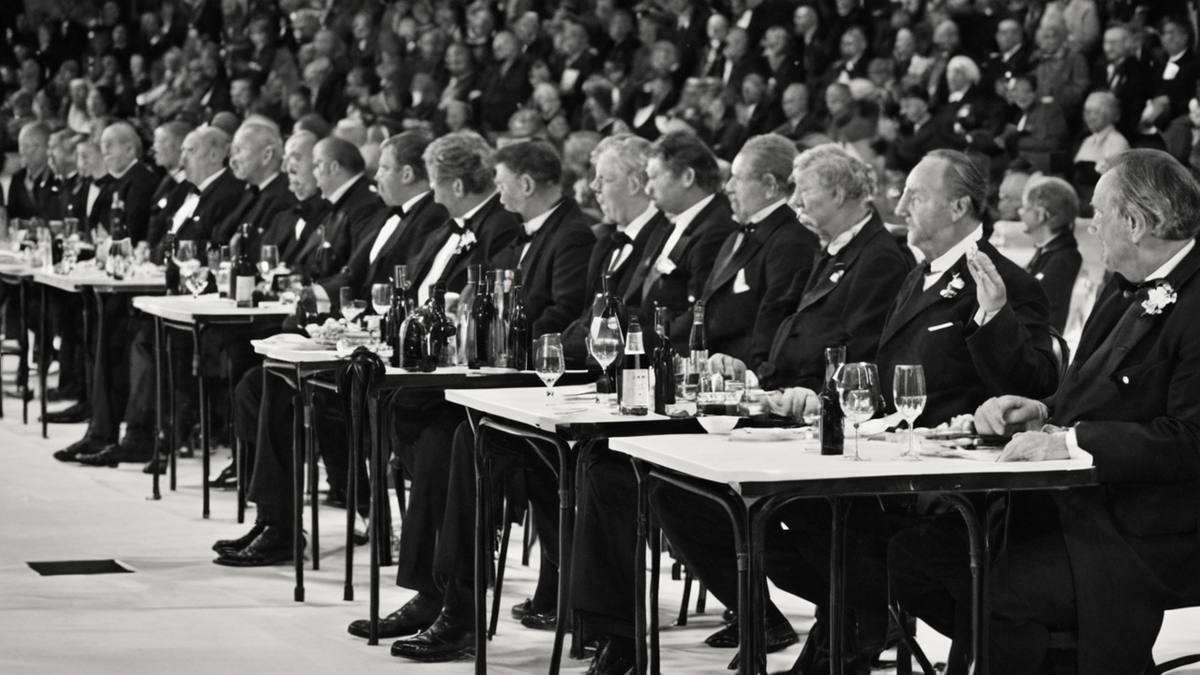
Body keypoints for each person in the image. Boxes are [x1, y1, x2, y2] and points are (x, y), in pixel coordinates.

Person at [892, 148, 1200, 675]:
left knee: (997, 587)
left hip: (1150, 526)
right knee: (915, 557)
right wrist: (1039, 411)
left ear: (1135, 223)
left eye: (1098, 212)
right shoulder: (1120, 284)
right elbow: (1086, 394)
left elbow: (1191, 440)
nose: (1091, 225)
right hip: (1073, 504)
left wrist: (1070, 441)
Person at [655, 145, 911, 666]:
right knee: (673, 487)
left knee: (728, 503)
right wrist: (753, 378)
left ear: (838, 193)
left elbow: (862, 355)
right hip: (783, 401)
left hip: (822, 419)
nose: (795, 202)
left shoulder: (879, 257)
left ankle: (856, 608)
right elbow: (793, 332)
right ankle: (845, 607)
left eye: (804, 191)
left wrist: (807, 395)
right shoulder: (833, 248)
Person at [387, 141, 595, 664]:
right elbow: (487, 296)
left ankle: (454, 607)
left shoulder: (570, 234)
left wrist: (510, 348)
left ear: (525, 184)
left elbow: (566, 315)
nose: (497, 194)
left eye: (502, 183)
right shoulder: (526, 232)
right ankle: (438, 596)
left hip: (545, 390)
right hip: (511, 382)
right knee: (431, 427)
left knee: (454, 437)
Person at [686, 133, 818, 370]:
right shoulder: (736, 236)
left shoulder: (792, 241)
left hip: (745, 376)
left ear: (769, 185)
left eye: (737, 178)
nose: (727, 187)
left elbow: (773, 328)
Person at [641, 131, 737, 349]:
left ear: (687, 177)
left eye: (654, 177)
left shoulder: (717, 229)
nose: (648, 188)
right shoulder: (673, 222)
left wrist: (641, 342)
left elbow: (700, 312)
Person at [1018, 175, 1083, 334]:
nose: (1020, 212)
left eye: (1025, 207)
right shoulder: (1048, 251)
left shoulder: (1064, 259)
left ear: (1042, 215)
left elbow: (1049, 317)